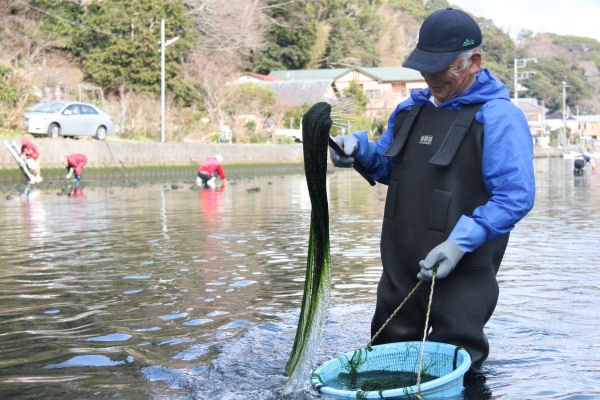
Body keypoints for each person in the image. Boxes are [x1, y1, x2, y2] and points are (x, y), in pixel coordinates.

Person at [330, 8, 535, 378]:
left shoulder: (500, 117)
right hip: (399, 266)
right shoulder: (410, 110)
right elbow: (390, 167)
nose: (429, 77)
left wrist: (459, 244)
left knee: (456, 363)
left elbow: (515, 197)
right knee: (385, 360)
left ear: (474, 61)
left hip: (464, 269)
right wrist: (357, 150)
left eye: (442, 68)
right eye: (425, 66)